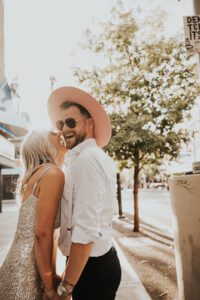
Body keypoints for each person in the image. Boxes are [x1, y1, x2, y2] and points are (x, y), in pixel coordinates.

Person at [48, 86, 122, 300]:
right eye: (60, 124)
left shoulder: (87, 160)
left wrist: (65, 288)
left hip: (94, 267)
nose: (63, 129)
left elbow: (86, 230)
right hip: (90, 264)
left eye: (70, 122)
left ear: (89, 123)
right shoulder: (84, 158)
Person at [0, 130, 67, 300]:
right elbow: (42, 234)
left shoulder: (36, 176)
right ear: (43, 145)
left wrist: (51, 275)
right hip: (27, 271)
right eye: (52, 132)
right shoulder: (53, 173)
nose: (59, 132)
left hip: (21, 264)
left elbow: (49, 234)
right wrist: (50, 288)